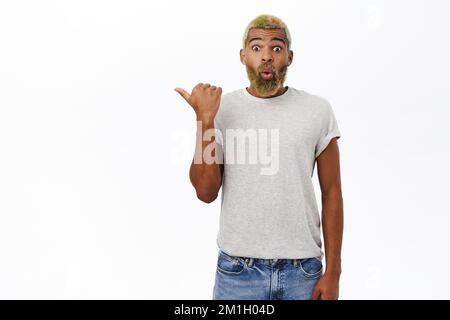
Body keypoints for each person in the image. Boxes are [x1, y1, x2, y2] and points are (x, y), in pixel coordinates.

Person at [175, 14, 343, 300]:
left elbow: (332, 192)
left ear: (289, 56)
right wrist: (205, 120)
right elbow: (205, 192)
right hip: (237, 272)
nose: (266, 56)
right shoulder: (221, 109)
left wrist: (334, 273)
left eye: (276, 48)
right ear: (243, 56)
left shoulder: (317, 110)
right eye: (256, 48)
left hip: (303, 273)